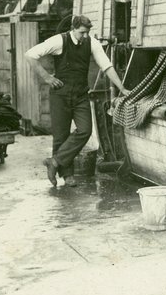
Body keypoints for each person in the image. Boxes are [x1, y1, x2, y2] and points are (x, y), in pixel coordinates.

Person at [25, 16, 129, 188]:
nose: (86, 36)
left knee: (85, 130)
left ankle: (55, 162)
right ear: (73, 29)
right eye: (82, 32)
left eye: (88, 32)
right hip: (60, 94)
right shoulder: (59, 41)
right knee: (60, 136)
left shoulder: (92, 43)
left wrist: (122, 88)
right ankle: (67, 176)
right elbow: (30, 55)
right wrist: (46, 77)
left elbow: (106, 65)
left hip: (81, 94)